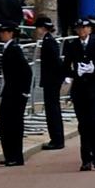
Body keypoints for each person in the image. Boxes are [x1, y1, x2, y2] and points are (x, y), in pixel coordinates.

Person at [67, 17, 95, 170]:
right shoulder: (72, 45)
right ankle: (85, 159)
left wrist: (94, 69)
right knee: (83, 125)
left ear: (90, 29)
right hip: (80, 91)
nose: (82, 31)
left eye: (85, 28)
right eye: (79, 28)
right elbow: (65, 66)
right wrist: (74, 73)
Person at [0, 23, 31, 166]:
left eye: (4, 32)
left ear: (10, 33)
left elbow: (26, 71)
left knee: (13, 124)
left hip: (15, 93)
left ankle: (15, 156)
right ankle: (10, 154)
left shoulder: (14, 49)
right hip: (10, 91)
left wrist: (24, 92)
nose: (1, 34)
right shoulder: (9, 49)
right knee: (5, 123)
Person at [34, 15, 67, 149]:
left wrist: (60, 76)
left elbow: (56, 62)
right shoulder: (49, 41)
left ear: (42, 28)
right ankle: (56, 138)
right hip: (52, 80)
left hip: (51, 81)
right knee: (52, 109)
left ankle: (57, 139)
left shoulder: (49, 42)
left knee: (52, 110)